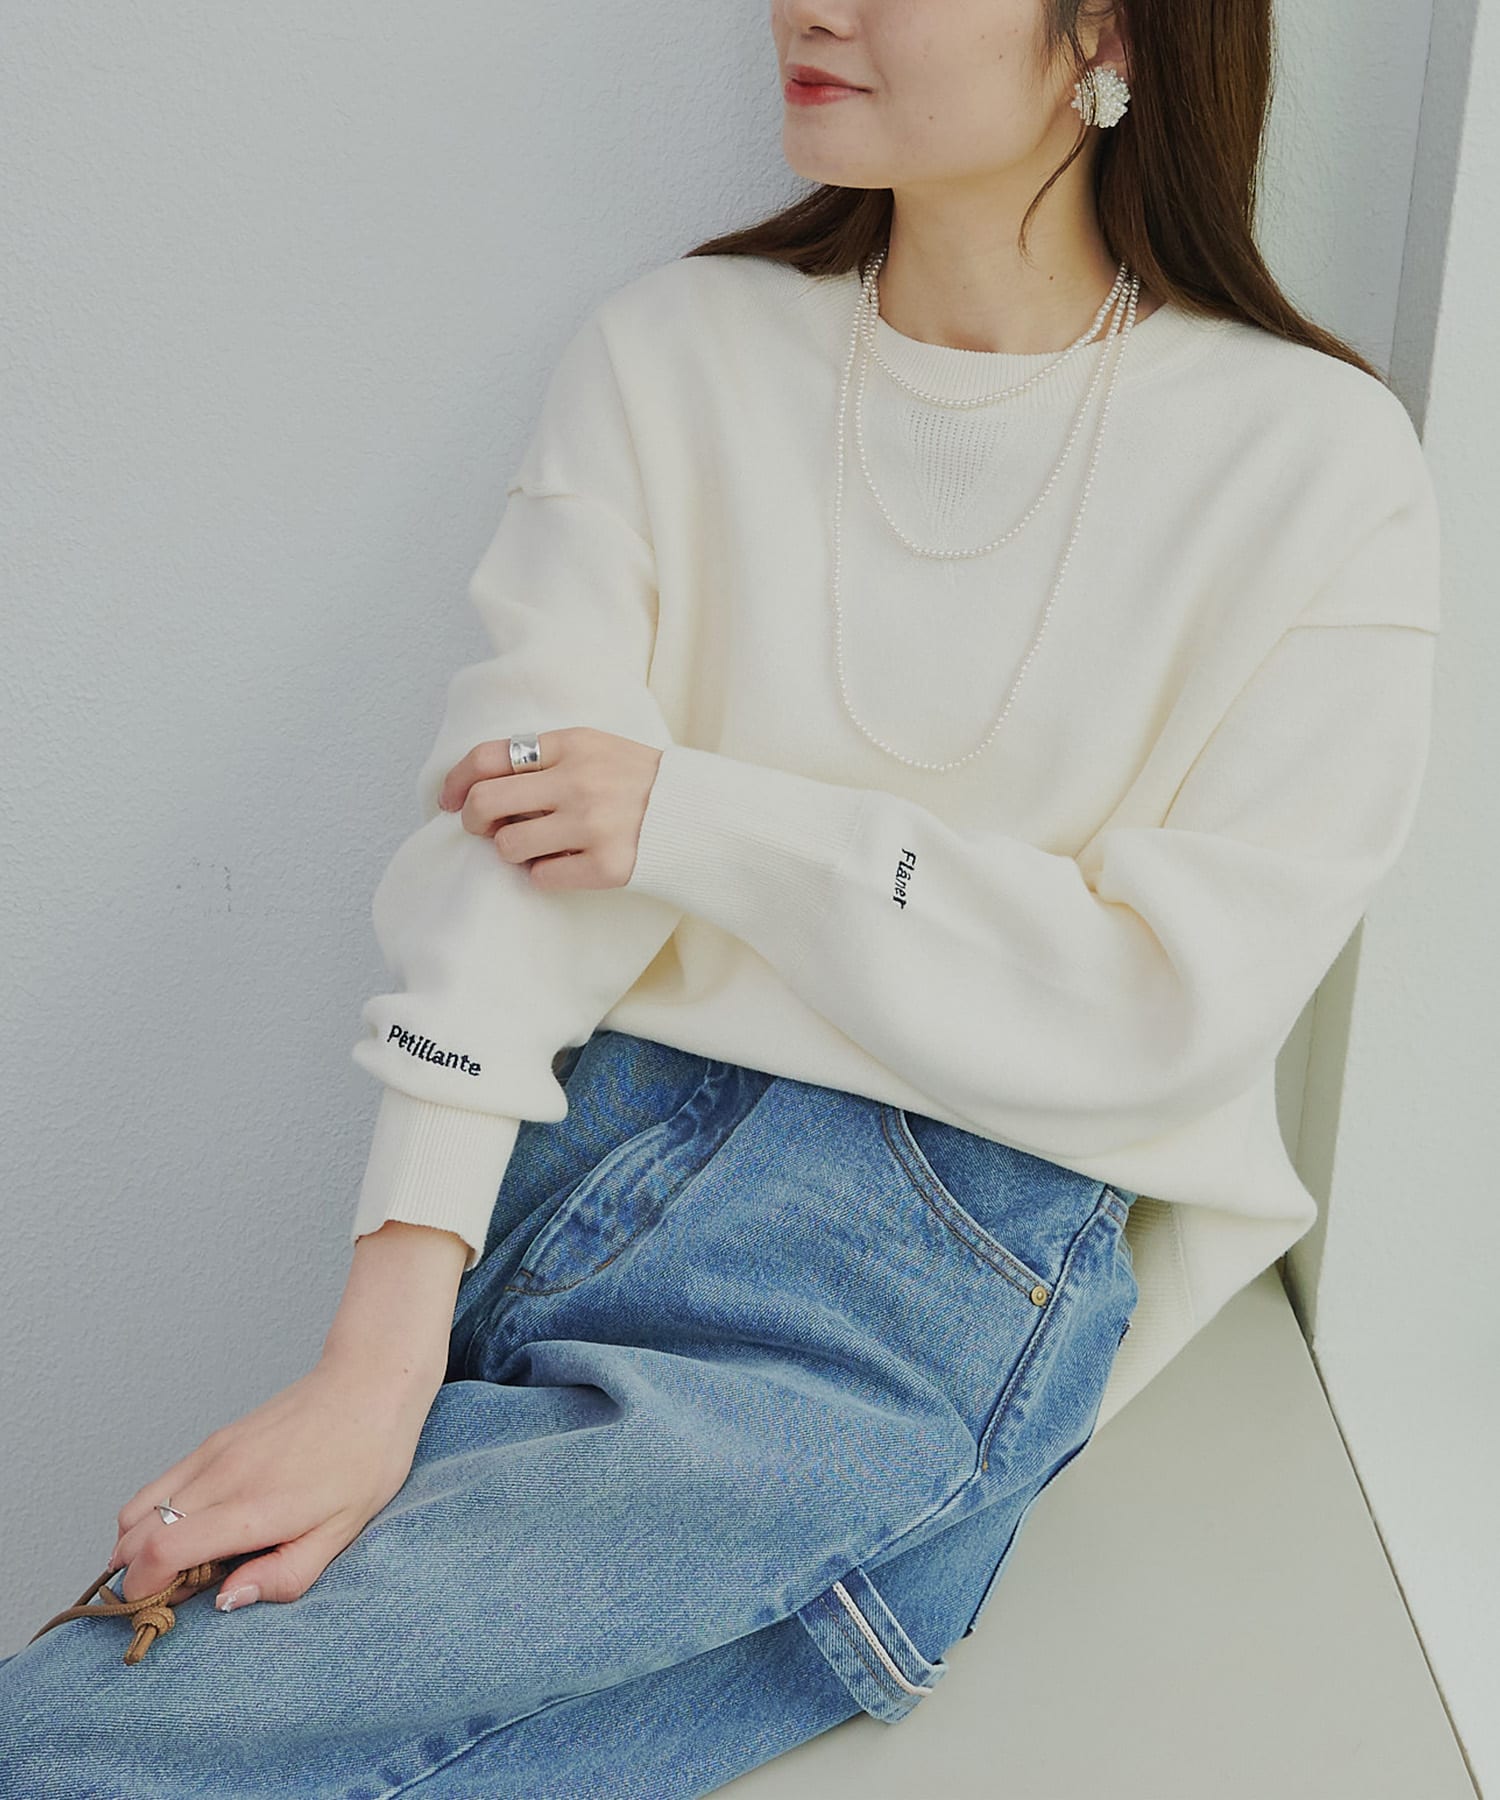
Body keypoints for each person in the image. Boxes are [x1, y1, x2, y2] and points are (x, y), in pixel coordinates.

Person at [1, 0, 1441, 1792]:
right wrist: (376, 1361)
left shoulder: (1315, 459)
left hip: (924, 1262)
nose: (809, 7)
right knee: (114, 1713)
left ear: (1107, 26)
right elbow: (509, 846)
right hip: (571, 1154)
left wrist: (697, 819)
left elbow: (1171, 1002)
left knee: (80, 1744)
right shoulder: (675, 351)